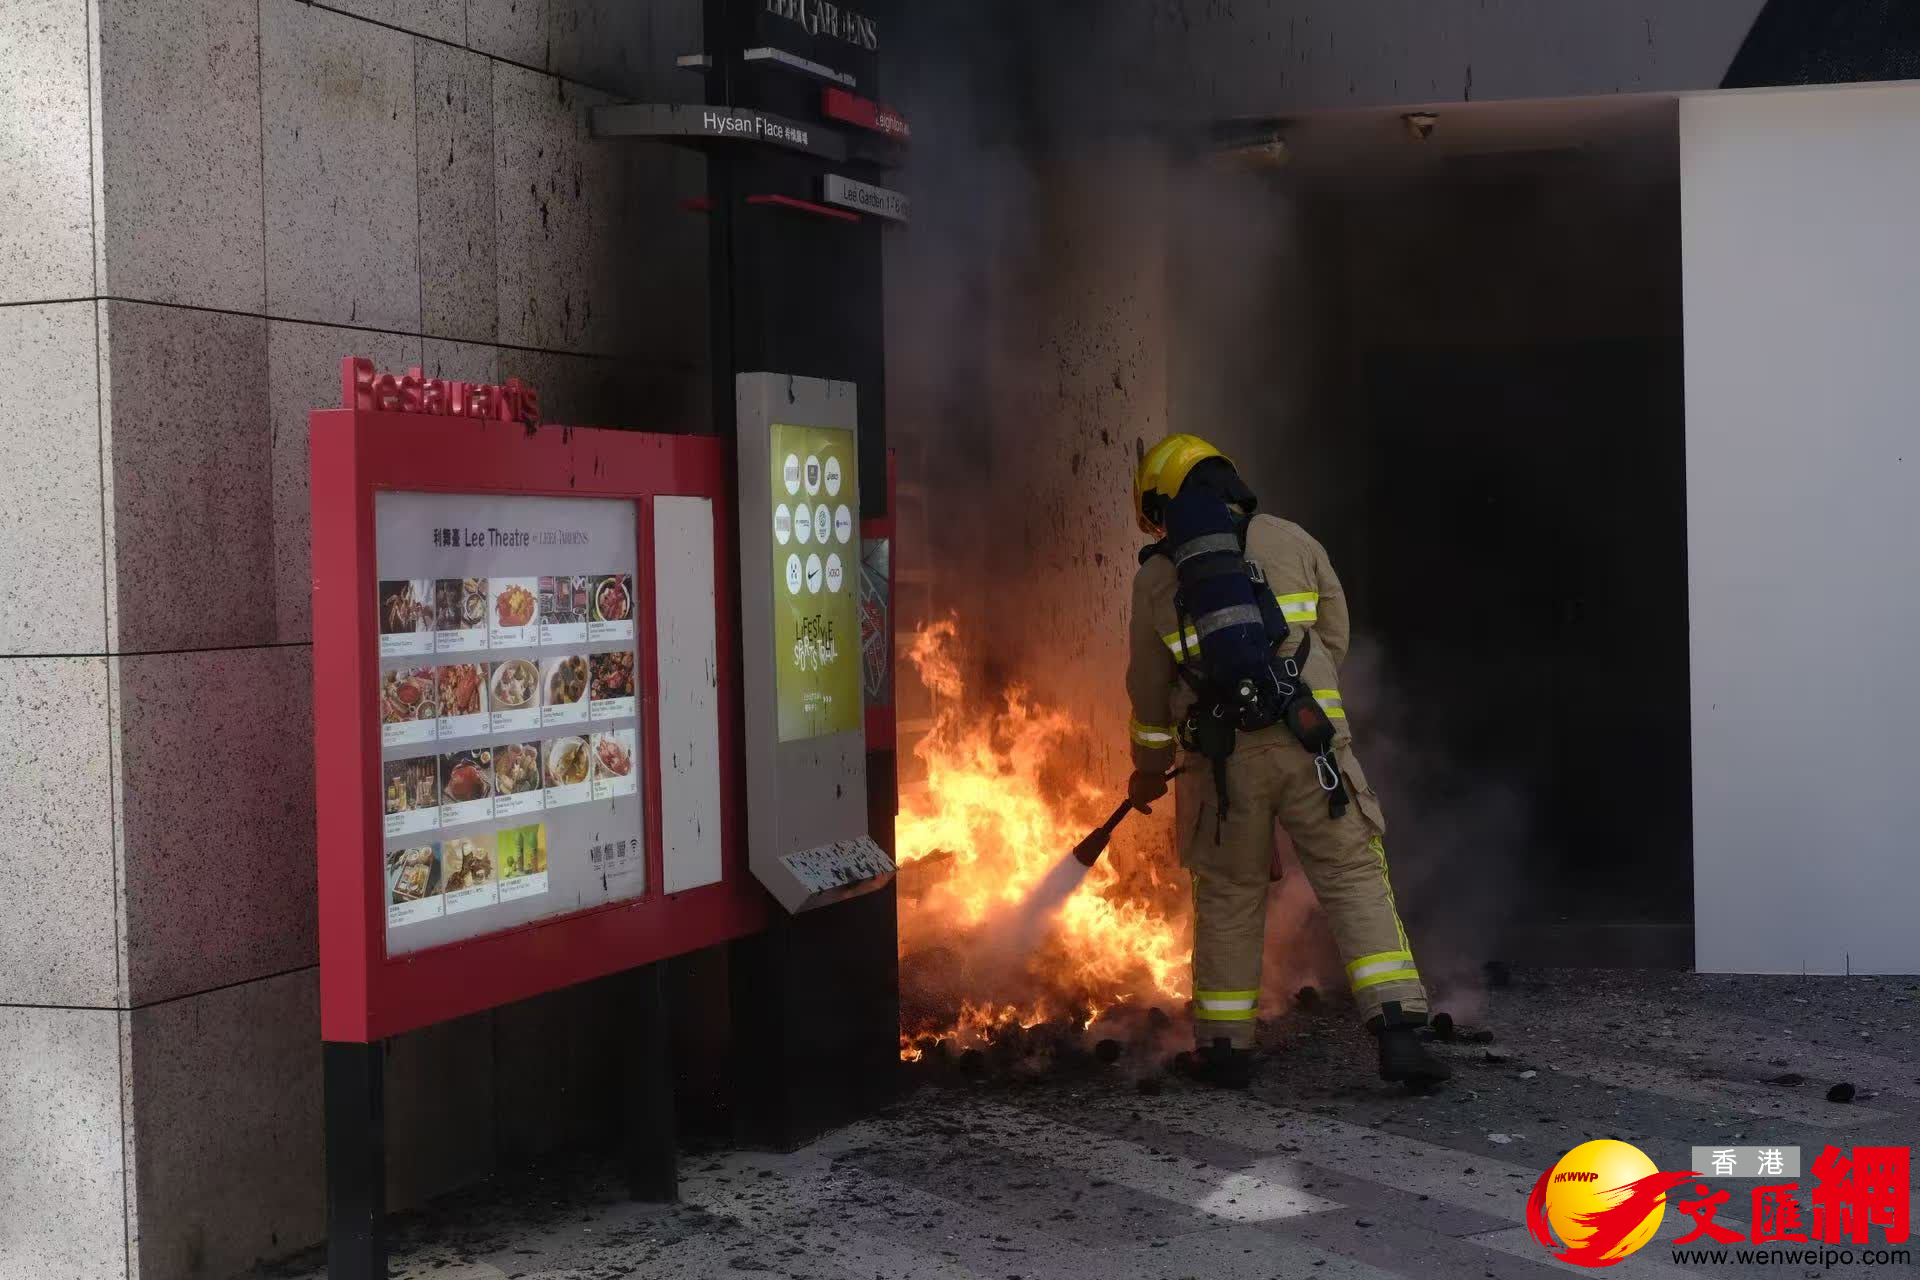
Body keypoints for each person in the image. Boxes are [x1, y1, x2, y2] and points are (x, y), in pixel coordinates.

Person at [1124, 433, 1449, 1091]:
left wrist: (1150, 766)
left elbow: (1147, 689)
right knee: (1352, 872)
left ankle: (1223, 1049)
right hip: (1312, 749)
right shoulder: (1294, 541)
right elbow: (1335, 635)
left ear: (1164, 506)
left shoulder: (1157, 578)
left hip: (1222, 768)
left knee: (1230, 895)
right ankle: (1400, 1034)